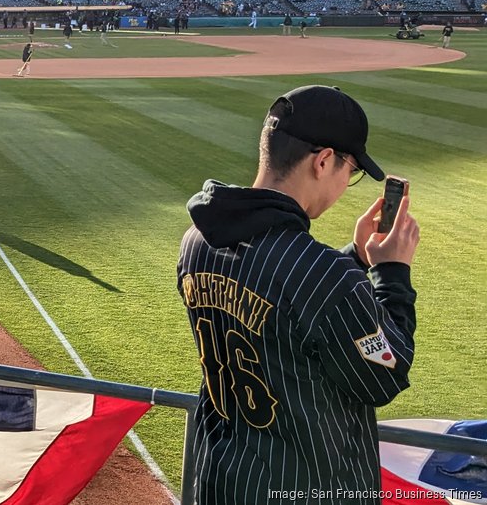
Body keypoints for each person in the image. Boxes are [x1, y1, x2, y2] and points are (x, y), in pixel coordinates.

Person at [178, 85, 420, 505]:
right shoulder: (325, 276)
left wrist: (355, 258)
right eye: (351, 170)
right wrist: (392, 271)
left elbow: (279, 301)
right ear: (324, 161)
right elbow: (386, 372)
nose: (347, 183)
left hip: (220, 479)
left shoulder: (196, 241)